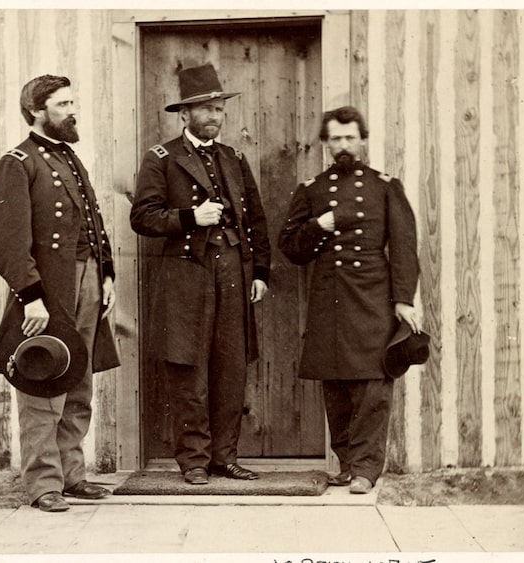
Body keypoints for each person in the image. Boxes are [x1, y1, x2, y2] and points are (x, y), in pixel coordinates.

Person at [130, 63, 271, 485]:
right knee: (188, 367)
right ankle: (193, 460)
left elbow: (256, 221)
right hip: (186, 276)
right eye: (204, 109)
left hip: (233, 272)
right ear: (184, 115)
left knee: (231, 366)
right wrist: (192, 216)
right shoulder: (161, 158)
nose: (213, 116)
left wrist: (260, 272)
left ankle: (224, 457)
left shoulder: (234, 158)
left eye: (218, 109)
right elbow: (143, 217)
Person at [0, 74, 120, 512]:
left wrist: (106, 276)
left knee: (78, 380)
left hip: (87, 283)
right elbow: (5, 239)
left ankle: (72, 476)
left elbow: (92, 224)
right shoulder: (17, 162)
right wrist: (31, 296)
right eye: (63, 104)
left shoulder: (69, 158)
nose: (71, 110)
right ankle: (44, 484)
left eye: (71, 102)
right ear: (37, 112)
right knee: (43, 382)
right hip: (49, 290)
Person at [278, 106, 421, 494]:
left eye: (349, 137)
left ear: (362, 139)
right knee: (336, 385)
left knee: (374, 385)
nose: (343, 145)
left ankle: (366, 470)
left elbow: (404, 246)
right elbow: (290, 247)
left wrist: (403, 299)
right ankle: (346, 464)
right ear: (325, 144)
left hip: (374, 296)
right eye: (335, 138)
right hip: (330, 297)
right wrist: (319, 225)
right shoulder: (311, 189)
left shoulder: (385, 186)